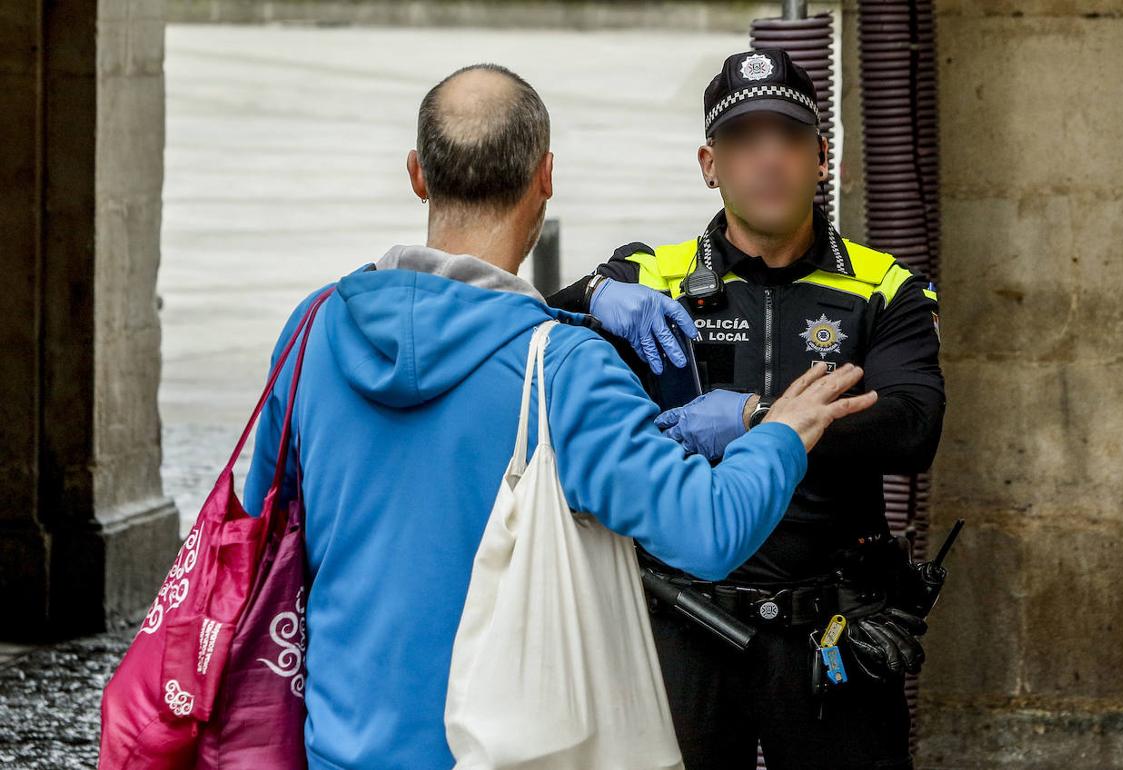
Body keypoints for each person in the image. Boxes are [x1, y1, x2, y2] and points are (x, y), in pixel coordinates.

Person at [242, 62, 877, 770]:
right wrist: (782, 432)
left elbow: (262, 525)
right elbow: (709, 528)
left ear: (418, 175)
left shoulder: (313, 330)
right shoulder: (562, 368)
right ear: (546, 177)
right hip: (498, 752)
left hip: (334, 744)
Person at [546, 49, 946, 770]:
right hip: (679, 624)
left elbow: (913, 426)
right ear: (710, 163)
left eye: (789, 138)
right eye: (743, 140)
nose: (769, 159)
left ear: (822, 158)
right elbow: (521, 330)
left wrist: (760, 417)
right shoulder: (652, 275)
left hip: (829, 632)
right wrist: (593, 293)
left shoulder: (885, 288)